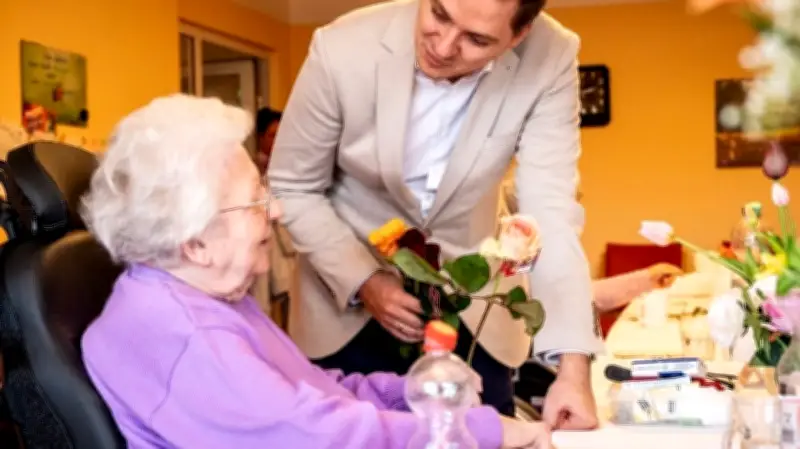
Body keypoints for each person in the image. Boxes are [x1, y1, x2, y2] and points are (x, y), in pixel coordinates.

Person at [79, 94, 551, 449]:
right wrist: (482, 432)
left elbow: (312, 392)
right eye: (255, 203)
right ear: (195, 244)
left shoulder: (206, 297)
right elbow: (315, 436)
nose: (277, 211)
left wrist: (409, 393)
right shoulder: (186, 339)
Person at [269, 0, 601, 426]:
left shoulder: (551, 56)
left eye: (476, 39)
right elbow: (293, 185)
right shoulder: (341, 48)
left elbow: (549, 213)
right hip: (344, 310)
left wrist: (573, 370)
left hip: (476, 309)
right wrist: (363, 280)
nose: (443, 48)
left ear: (520, 35)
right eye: (439, 15)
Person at [255, 107, 281, 176]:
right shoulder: (252, 167)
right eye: (273, 135)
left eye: (280, 135)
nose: (277, 140)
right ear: (261, 137)